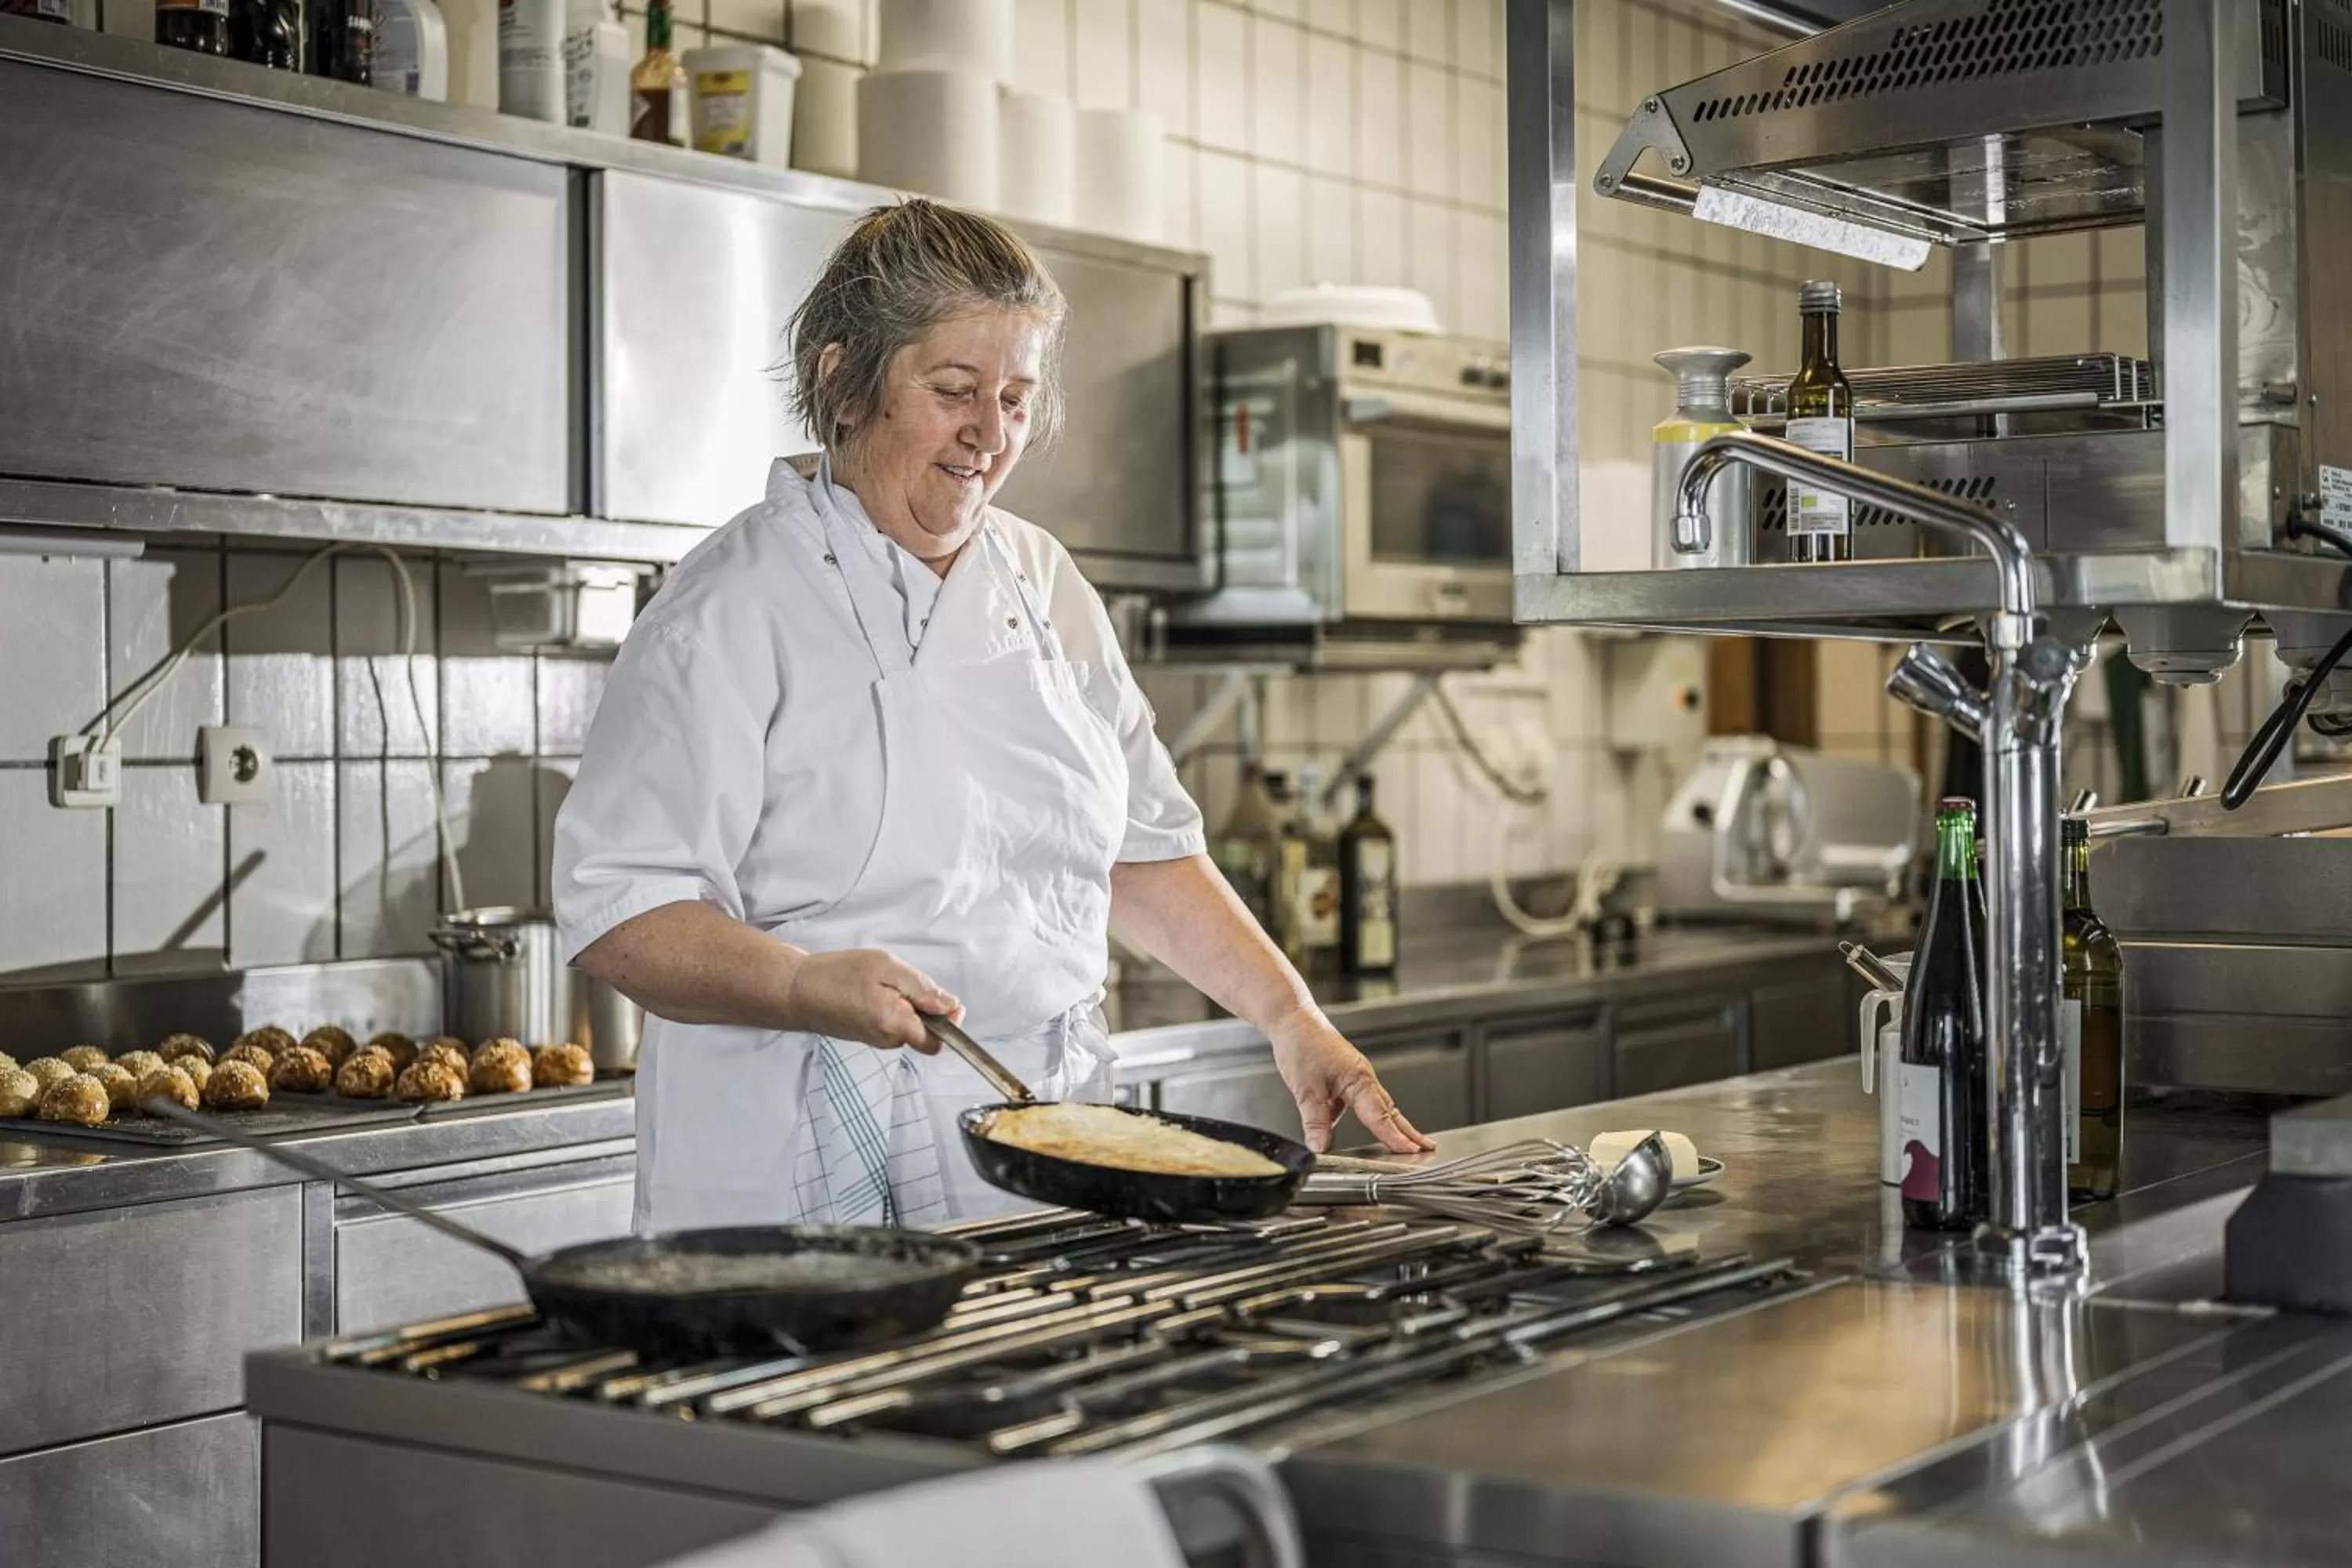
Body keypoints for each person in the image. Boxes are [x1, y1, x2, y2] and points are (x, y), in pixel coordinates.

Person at [554, 199, 1432, 1233]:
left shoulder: (1041, 579)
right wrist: (806, 985)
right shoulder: (729, 607)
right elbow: (623, 919)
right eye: (955, 390)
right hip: (792, 1170)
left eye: (1016, 398)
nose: (990, 434)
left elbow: (1138, 850)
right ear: (843, 380)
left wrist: (1292, 1019)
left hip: (1038, 1143)